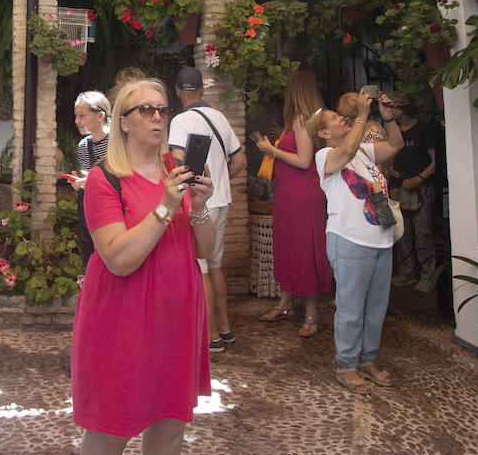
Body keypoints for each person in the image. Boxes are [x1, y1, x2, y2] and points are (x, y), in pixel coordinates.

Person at [71, 79, 215, 454]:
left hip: (176, 321)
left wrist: (198, 207)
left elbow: (206, 249)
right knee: (109, 430)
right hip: (123, 321)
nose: (157, 117)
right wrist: (166, 206)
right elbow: (118, 259)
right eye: (146, 110)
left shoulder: (176, 168)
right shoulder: (105, 178)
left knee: (169, 429)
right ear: (123, 121)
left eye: (162, 109)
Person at [309, 88, 404, 396]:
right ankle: (347, 365)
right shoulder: (325, 156)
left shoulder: (363, 150)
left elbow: (395, 145)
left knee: (376, 308)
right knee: (350, 308)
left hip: (381, 240)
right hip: (349, 241)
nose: (342, 118)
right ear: (324, 132)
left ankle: (367, 359)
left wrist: (387, 116)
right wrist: (363, 116)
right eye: (335, 118)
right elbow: (346, 154)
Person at [167, 66, 244, 354]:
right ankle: (225, 328)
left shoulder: (181, 121)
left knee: (199, 268)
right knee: (215, 265)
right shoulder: (220, 118)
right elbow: (239, 161)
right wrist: (219, 183)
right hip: (221, 200)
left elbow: (178, 164)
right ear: (202, 90)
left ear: (177, 91)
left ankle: (210, 336)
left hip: (199, 204)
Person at [254, 70, 332, 338]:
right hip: (290, 194)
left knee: (304, 249)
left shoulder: (302, 120)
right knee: (290, 246)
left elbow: (304, 160)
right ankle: (286, 303)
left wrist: (271, 150)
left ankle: (312, 314)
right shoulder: (302, 120)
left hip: (301, 195)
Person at [384, 98, 442, 293]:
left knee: (422, 231)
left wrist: (418, 178)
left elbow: (436, 161)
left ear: (405, 108)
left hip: (420, 188)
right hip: (399, 186)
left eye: (394, 107)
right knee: (403, 232)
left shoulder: (424, 130)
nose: (390, 111)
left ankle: (427, 274)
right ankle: (407, 273)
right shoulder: (394, 131)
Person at [63, 91, 111, 264]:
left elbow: (127, 176)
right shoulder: (84, 146)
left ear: (100, 115)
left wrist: (91, 181)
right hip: (91, 207)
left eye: (82, 116)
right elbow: (89, 176)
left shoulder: (118, 142)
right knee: (89, 253)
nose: (77, 121)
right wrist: (80, 184)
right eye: (76, 116)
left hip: (114, 208)